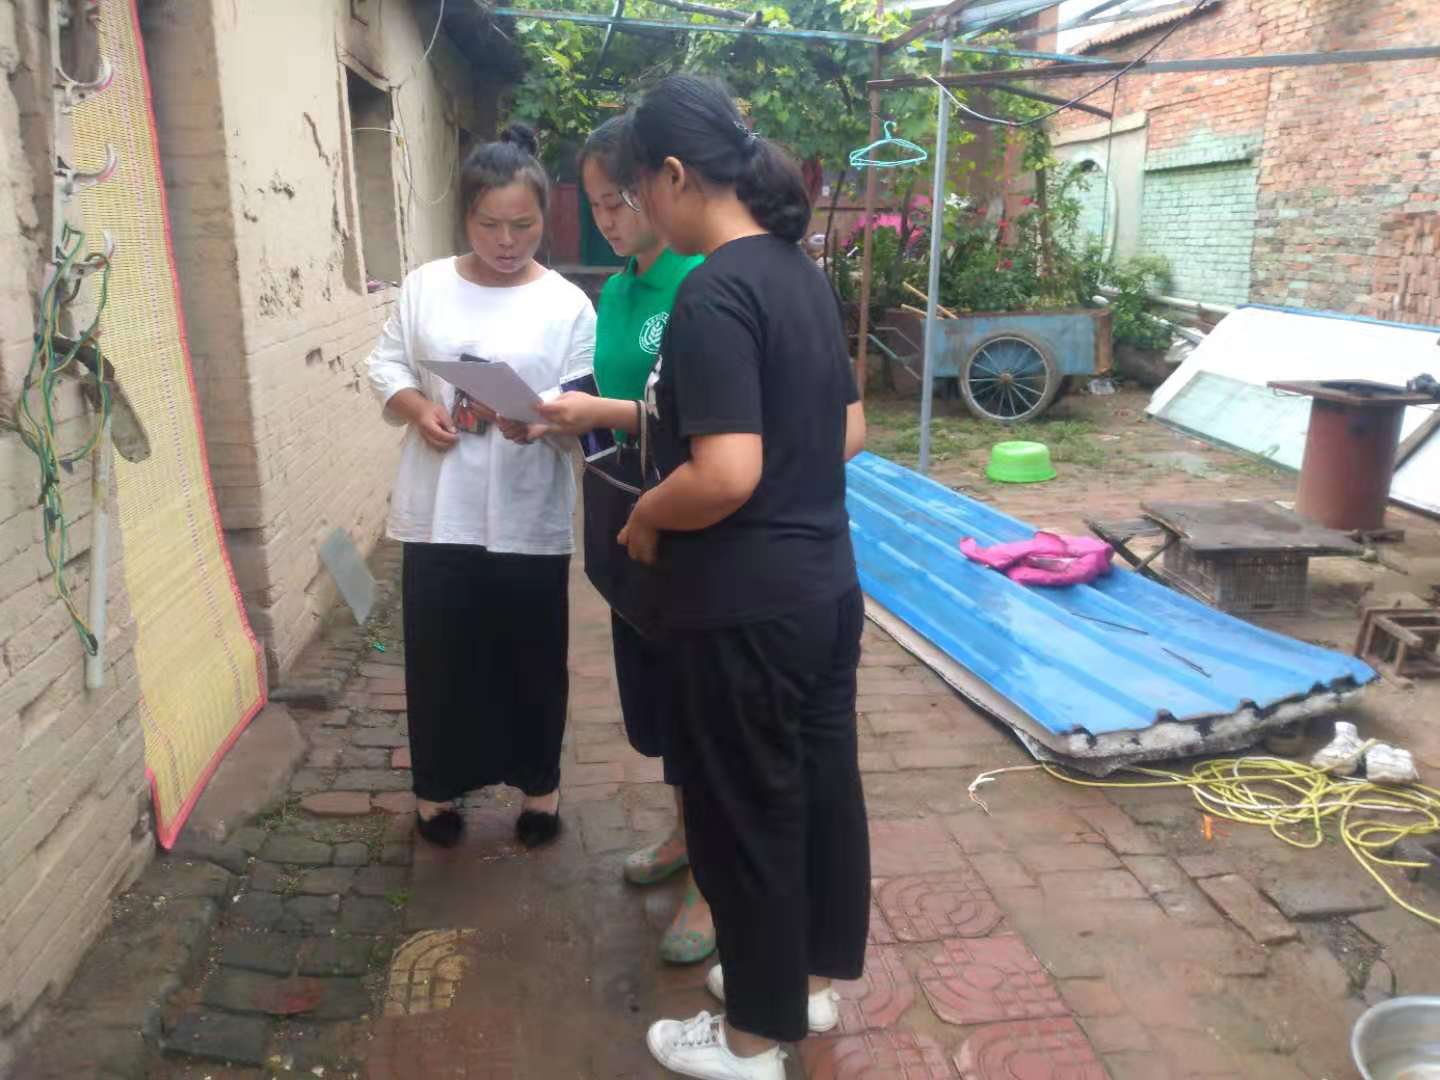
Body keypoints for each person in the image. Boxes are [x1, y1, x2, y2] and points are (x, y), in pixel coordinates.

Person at [618, 75, 869, 1080]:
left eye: (641, 189)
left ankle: (752, 1041)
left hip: (746, 610)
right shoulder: (800, 274)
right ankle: (802, 986)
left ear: (677, 174)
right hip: (826, 589)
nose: (642, 209)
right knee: (818, 793)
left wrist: (648, 510)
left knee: (746, 814)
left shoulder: (714, 291)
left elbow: (725, 473)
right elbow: (849, 428)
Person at [366, 124, 596, 850]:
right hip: (440, 508)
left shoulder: (567, 304)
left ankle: (539, 790)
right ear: (464, 216)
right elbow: (387, 364)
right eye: (489, 224)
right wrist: (418, 408)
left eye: (523, 225)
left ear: (544, 217)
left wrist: (544, 419)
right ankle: (436, 794)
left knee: (532, 656)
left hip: (528, 507)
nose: (505, 241)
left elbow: (585, 399)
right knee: (441, 656)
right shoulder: (426, 286)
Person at [537, 114, 715, 965]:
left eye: (619, 201)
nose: (607, 219)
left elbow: (702, 419)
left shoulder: (703, 280)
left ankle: (714, 882)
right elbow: (618, 399)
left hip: (692, 520)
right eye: (596, 205)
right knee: (656, 699)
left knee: (704, 703)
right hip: (624, 512)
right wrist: (557, 414)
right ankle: (684, 833)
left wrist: (598, 411)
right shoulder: (615, 291)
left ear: (658, 186)